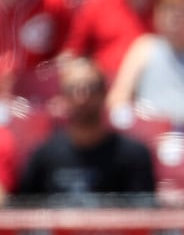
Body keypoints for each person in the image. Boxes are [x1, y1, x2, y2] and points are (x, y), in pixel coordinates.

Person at [12, 58, 157, 203]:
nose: (82, 97)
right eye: (73, 89)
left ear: (104, 93)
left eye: (91, 88)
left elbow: (142, 216)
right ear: (63, 97)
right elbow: (27, 213)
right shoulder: (44, 155)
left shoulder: (133, 155)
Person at [105, 0, 184, 123]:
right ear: (157, 15)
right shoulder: (144, 48)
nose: (176, 19)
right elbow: (119, 96)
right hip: (149, 131)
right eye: (169, 11)